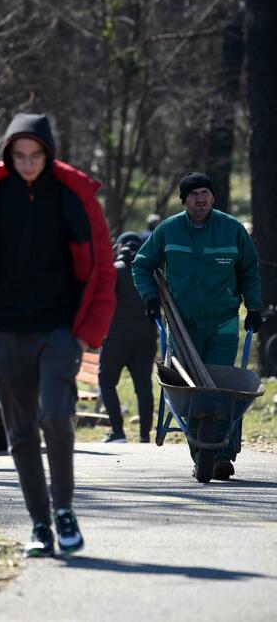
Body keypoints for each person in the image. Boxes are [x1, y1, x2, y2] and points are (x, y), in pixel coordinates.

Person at [0, 113, 116, 557]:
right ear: (7, 154)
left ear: (48, 154)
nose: (26, 164)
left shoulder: (73, 196)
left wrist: (85, 336)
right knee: (20, 432)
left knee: (56, 416)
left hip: (59, 331)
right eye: (19, 155)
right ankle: (40, 524)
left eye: (35, 155)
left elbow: (102, 270)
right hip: (3, 334)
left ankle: (64, 511)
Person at [132, 172, 262, 480]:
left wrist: (254, 306)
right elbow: (141, 265)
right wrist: (150, 298)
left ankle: (222, 456)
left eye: (205, 193)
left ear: (213, 196)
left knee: (219, 387)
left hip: (223, 321)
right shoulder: (169, 230)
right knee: (191, 389)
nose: (200, 199)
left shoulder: (232, 229)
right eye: (194, 194)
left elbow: (250, 270)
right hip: (183, 325)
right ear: (184, 200)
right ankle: (201, 453)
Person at [98, 232, 156, 444]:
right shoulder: (150, 273)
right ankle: (144, 436)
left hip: (116, 338)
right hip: (146, 339)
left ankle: (118, 432)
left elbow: (102, 303)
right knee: (144, 387)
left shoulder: (114, 271)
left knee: (106, 382)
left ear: (119, 246)